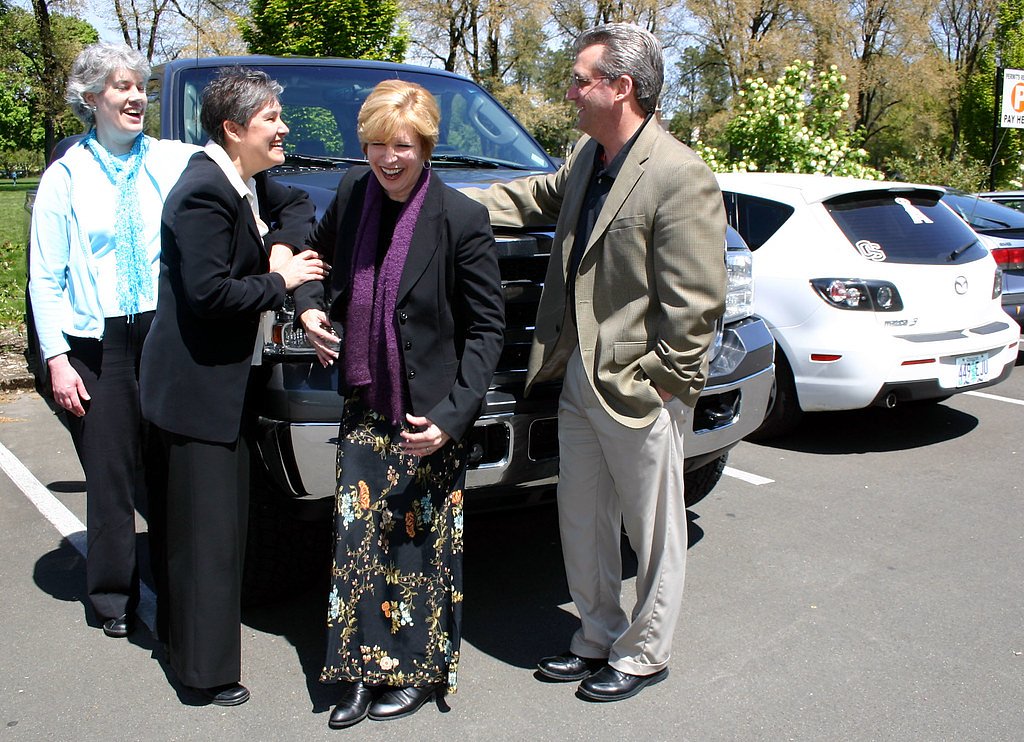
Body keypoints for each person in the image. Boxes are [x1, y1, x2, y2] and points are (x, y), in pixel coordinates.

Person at [461, 23, 727, 702]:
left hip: (639, 387)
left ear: (622, 87)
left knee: (655, 530)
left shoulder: (679, 174)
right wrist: (441, 201)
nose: (571, 91)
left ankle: (644, 652)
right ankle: (596, 636)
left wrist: (663, 384)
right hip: (577, 376)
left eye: (581, 79)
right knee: (581, 518)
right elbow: (532, 198)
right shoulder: (590, 156)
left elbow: (697, 305)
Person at [28, 42, 309, 641]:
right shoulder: (64, 175)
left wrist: (281, 251)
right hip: (95, 345)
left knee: (166, 471)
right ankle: (112, 598)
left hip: (165, 336)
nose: (136, 97)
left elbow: (283, 197)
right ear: (90, 99)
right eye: (121, 88)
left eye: (140, 87)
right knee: (109, 474)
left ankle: (173, 589)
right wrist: (56, 358)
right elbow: (44, 277)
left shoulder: (176, 159)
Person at [294, 79, 504, 728]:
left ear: (426, 146)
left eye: (403, 146)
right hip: (365, 399)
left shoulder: (460, 218)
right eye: (378, 145)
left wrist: (450, 418)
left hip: (427, 413)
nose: (389, 158)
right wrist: (308, 309)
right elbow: (321, 265)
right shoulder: (355, 193)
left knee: (416, 550)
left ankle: (413, 670)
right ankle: (357, 673)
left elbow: (486, 329)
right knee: (357, 546)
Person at [138, 67, 324, 707]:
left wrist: (279, 246)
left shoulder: (244, 181)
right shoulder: (202, 194)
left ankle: (183, 643)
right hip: (194, 395)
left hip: (225, 392)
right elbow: (210, 294)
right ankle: (203, 675)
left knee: (216, 534)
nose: (283, 128)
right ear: (233, 128)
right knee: (203, 540)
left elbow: (297, 205)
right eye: (271, 118)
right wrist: (283, 278)